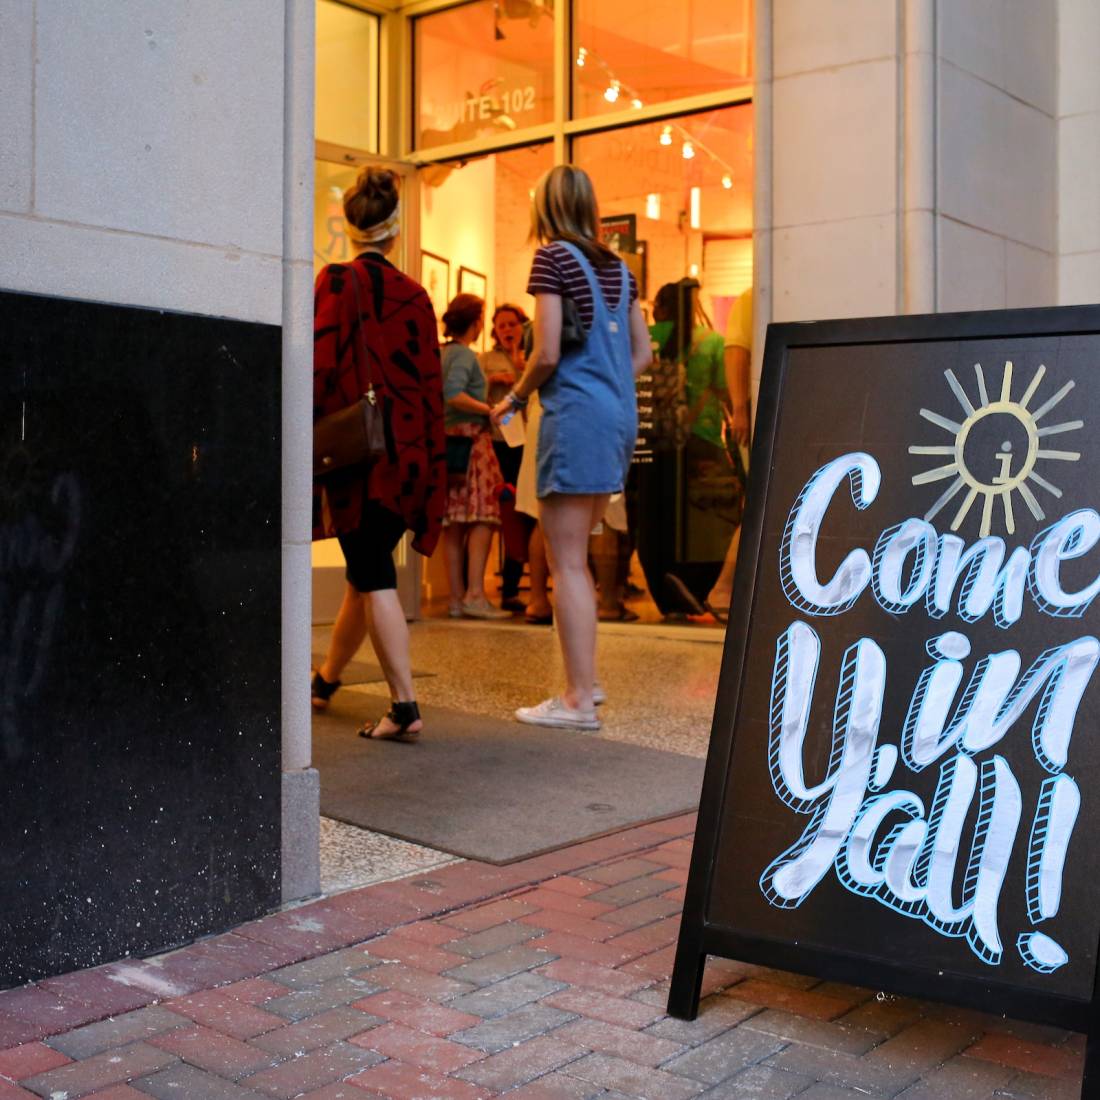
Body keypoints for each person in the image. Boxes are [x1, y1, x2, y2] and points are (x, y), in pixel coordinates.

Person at [492, 164, 652, 731]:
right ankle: (590, 680)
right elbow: (642, 354)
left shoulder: (552, 259)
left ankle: (578, 699)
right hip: (616, 418)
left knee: (566, 563)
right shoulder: (621, 269)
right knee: (578, 555)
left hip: (575, 417)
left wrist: (512, 398)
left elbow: (548, 352)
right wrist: (606, 379)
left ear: (546, 208)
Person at [310, 166, 446, 743]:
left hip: (358, 459)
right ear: (395, 230)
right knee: (363, 576)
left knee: (372, 573)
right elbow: (429, 383)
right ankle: (325, 681)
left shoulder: (336, 282)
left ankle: (404, 705)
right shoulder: (416, 295)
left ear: (351, 226)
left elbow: (319, 365)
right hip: (407, 457)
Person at [441, 294, 511, 620]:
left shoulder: (441, 353)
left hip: (447, 444)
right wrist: (490, 409)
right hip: (471, 443)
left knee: (453, 524)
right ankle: (475, 594)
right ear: (475, 322)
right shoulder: (465, 357)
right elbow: (454, 394)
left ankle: (456, 599)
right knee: (483, 518)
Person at [704, 284, 753, 619]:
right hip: (753, 414)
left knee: (759, 504)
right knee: (759, 504)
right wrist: (739, 408)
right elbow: (736, 349)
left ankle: (727, 590)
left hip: (755, 412)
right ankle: (722, 589)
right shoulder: (753, 297)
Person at [480, 304, 532, 612]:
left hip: (525, 444)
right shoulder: (484, 360)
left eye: (512, 324)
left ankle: (511, 588)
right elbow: (473, 396)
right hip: (494, 443)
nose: (507, 330)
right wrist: (491, 382)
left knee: (518, 515)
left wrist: (519, 371)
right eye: (501, 325)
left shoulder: (532, 357)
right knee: (487, 514)